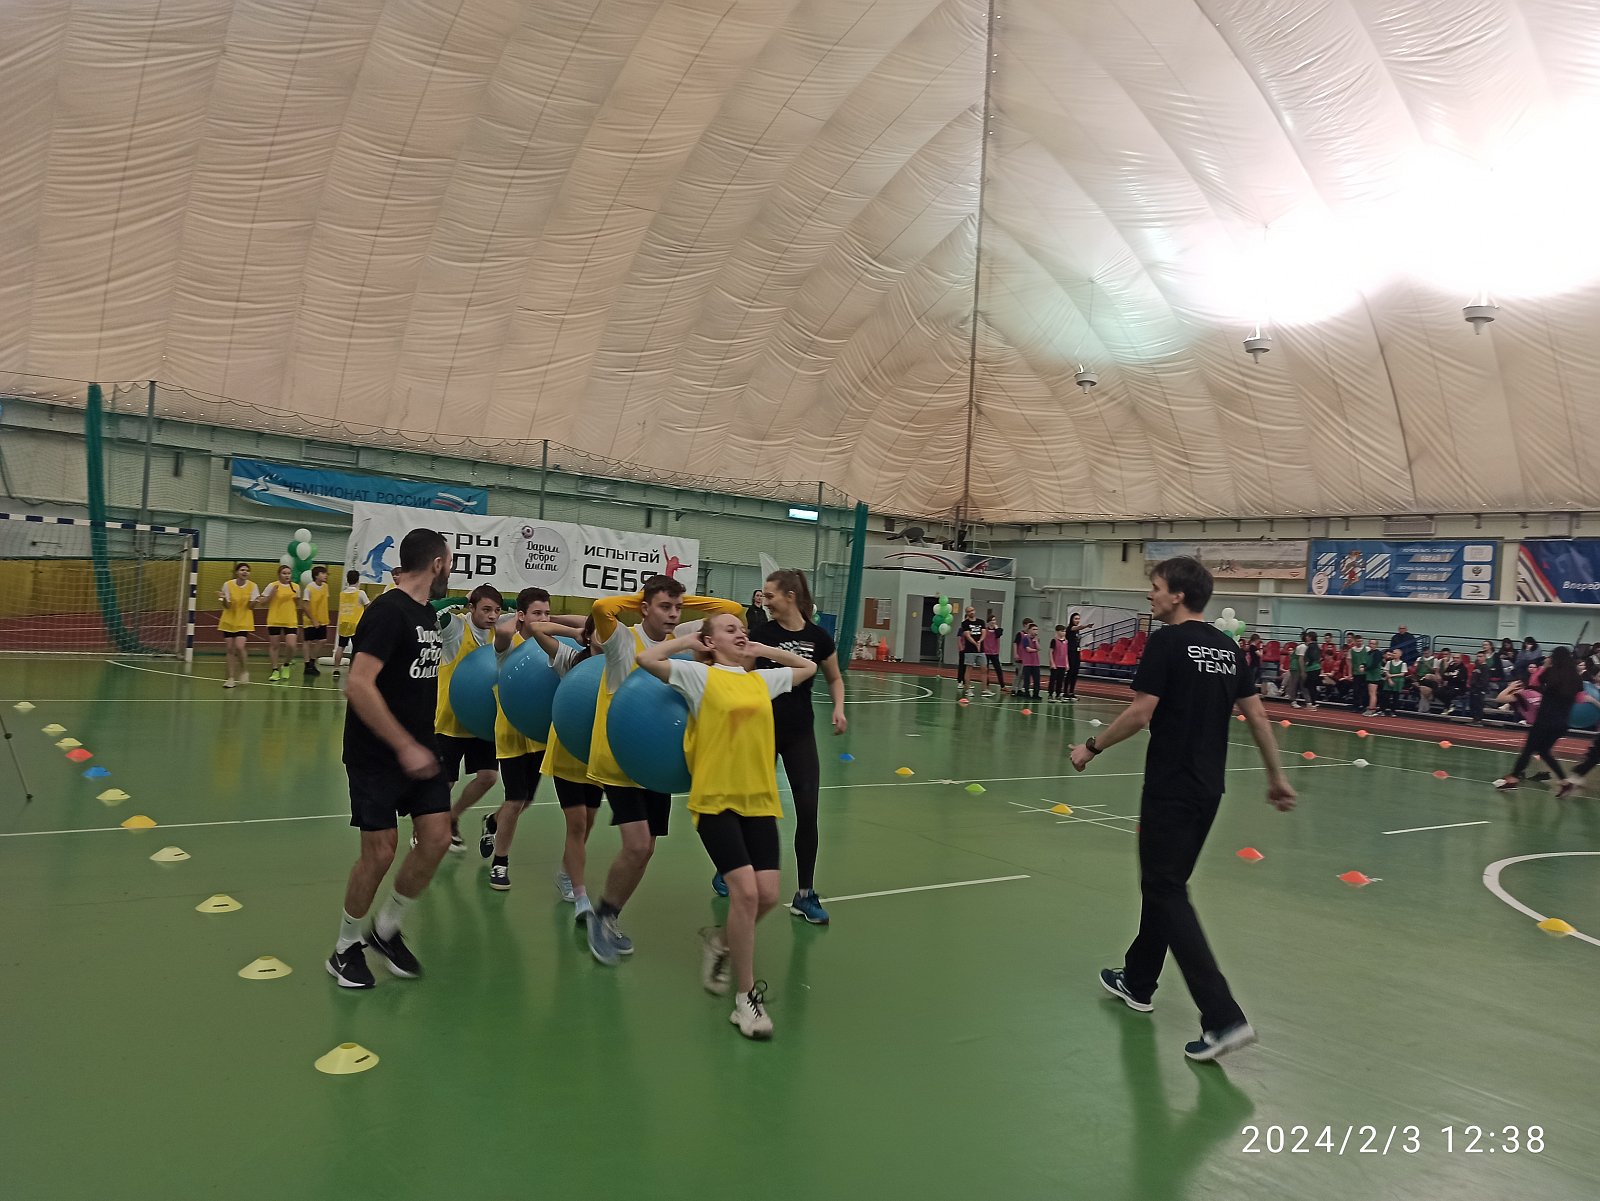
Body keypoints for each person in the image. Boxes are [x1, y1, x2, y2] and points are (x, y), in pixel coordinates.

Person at [1069, 556, 1295, 1062]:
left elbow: (1140, 713)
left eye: (1155, 587)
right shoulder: (1229, 648)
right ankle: (1139, 980)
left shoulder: (1167, 642)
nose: (1149, 595)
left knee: (1166, 889)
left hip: (1170, 787)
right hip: (1208, 790)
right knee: (1164, 884)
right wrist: (1276, 777)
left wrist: (1091, 747)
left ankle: (1223, 1017)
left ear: (1177, 595)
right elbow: (1258, 717)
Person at [638, 613, 818, 1039]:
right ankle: (745, 1000)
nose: (741, 634)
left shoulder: (761, 682)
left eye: (743, 629)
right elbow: (647, 659)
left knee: (768, 896)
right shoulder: (700, 677)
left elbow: (807, 668)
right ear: (711, 640)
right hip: (716, 800)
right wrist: (689, 643)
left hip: (759, 800)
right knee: (746, 893)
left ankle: (720, 941)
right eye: (730, 629)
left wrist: (763, 650)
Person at [585, 576, 744, 965]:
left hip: (657, 763)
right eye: (664, 607)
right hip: (621, 761)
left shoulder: (683, 636)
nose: (673, 615)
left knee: (646, 849)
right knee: (637, 844)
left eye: (678, 608)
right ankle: (600, 917)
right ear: (644, 608)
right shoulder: (622, 641)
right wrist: (645, 598)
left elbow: (733, 610)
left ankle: (609, 915)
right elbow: (602, 608)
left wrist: (683, 602)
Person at [326, 528, 452, 988]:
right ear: (436, 564)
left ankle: (386, 928)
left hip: (422, 748)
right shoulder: (386, 611)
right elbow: (358, 685)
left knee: (437, 838)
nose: (450, 570)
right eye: (449, 562)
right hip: (377, 756)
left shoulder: (427, 615)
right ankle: (345, 948)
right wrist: (403, 745)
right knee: (379, 854)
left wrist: (420, 744)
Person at [741, 568, 846, 925]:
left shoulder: (818, 637)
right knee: (751, 808)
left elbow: (834, 677)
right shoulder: (761, 634)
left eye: (770, 596)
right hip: (761, 733)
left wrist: (839, 708)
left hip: (799, 734)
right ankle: (734, 869)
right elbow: (739, 676)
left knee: (807, 811)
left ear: (790, 596)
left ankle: (805, 894)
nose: (765, 601)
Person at [477, 588, 568, 890]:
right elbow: (502, 632)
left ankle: (492, 821)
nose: (543, 618)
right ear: (521, 616)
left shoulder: (552, 646)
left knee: (525, 800)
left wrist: (549, 624)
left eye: (547, 613)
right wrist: (517, 620)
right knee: (515, 799)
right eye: (536, 613)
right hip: (511, 734)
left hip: (539, 735)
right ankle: (500, 862)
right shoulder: (509, 646)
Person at [534, 615, 605, 921]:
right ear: (589, 634)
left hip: (595, 755)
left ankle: (566, 870)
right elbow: (538, 628)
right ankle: (581, 896)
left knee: (588, 822)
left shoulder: (619, 663)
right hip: (566, 752)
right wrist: (576, 630)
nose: (606, 635)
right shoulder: (569, 658)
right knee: (576, 823)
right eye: (599, 630)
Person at [432, 584, 503, 852]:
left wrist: (505, 604)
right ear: (471, 608)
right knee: (445, 783)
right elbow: (430, 610)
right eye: (486, 609)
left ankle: (452, 817)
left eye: (497, 610)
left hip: (482, 723)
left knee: (488, 777)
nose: (492, 615)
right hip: (450, 721)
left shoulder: (499, 631)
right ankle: (424, 829)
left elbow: (525, 607)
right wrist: (463, 598)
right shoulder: (455, 629)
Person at [1494, 646, 1580, 795]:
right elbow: (1577, 695)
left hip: (1545, 720)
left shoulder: (1551, 672)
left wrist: (1545, 666)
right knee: (1544, 751)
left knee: (1527, 751)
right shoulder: (1576, 678)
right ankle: (1565, 782)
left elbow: (1536, 680)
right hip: (1561, 723)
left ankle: (1513, 778)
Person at [217, 562, 259, 688]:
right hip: (229, 620)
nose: (245, 572)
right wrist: (223, 598)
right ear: (236, 572)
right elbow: (227, 606)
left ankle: (244, 671)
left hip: (244, 620)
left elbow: (251, 607)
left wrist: (256, 601)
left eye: (247, 570)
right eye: (242, 570)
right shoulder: (228, 585)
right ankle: (230, 678)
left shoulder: (253, 586)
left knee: (240, 646)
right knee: (230, 649)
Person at [259, 564, 301, 683]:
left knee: (292, 645)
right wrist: (271, 595)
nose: (287, 575)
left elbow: (297, 604)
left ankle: (286, 665)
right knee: (274, 645)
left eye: (289, 573)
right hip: (275, 619)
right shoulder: (272, 585)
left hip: (290, 620)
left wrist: (297, 601)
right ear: (279, 574)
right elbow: (262, 602)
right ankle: (275, 670)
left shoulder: (296, 587)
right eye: (284, 573)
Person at [331, 569, 370, 678]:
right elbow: (368, 606)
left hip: (343, 622)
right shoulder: (360, 593)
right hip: (356, 624)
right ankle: (352, 670)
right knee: (357, 649)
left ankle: (336, 669)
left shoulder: (342, 593)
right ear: (358, 580)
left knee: (340, 646)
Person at [299, 565, 331, 679]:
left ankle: (312, 662)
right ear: (316, 576)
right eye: (323, 573)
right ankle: (307, 664)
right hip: (310, 620)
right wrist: (313, 619)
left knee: (322, 640)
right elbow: (305, 606)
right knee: (307, 642)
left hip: (322, 619)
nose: (325, 575)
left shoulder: (325, 587)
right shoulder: (309, 588)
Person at [956, 607, 986, 697]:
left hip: (981, 650)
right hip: (970, 650)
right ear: (967, 613)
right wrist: (975, 643)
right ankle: (968, 689)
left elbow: (984, 632)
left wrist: (980, 641)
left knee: (984, 668)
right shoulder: (965, 623)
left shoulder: (981, 622)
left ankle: (984, 689)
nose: (971, 612)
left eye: (972, 610)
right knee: (969, 669)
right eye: (969, 611)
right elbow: (967, 635)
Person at [1065, 612, 1091, 700]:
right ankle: (1065, 692)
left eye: (1078, 619)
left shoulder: (1077, 631)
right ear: (1072, 619)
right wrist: (1086, 626)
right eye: (1076, 619)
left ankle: (1071, 692)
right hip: (1070, 652)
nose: (1077, 620)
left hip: (1077, 652)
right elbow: (1078, 627)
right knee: (1070, 672)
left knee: (1075, 672)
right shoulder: (1070, 628)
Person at [1291, 631, 1320, 709]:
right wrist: (1303, 671)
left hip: (1303, 667)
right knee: (1295, 684)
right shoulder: (1303, 647)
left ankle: (1308, 701)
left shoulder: (1309, 646)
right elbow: (1301, 660)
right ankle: (1293, 701)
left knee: (1304, 684)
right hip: (1296, 667)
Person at [1017, 620, 1042, 700]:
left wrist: (1036, 641)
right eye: (1034, 629)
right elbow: (1028, 649)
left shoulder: (1036, 639)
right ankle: (1027, 693)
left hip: (1036, 662)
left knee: (1037, 679)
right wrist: (1036, 650)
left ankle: (1036, 694)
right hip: (1027, 662)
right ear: (1029, 630)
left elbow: (1039, 648)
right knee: (1027, 679)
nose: (1035, 631)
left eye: (1036, 629)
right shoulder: (1025, 638)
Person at [982, 614, 1006, 694]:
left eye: (995, 620)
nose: (994, 622)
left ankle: (1002, 686)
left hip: (994, 652)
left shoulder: (998, 630)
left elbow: (998, 635)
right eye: (992, 620)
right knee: (986, 669)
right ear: (989, 621)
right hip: (986, 652)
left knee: (998, 669)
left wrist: (996, 628)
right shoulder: (985, 630)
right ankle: (986, 685)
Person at [1380, 648, 1406, 715]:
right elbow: (1386, 671)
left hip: (1398, 682)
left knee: (1395, 697)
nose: (1393, 654)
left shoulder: (1403, 664)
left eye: (1395, 653)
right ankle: (1383, 710)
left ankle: (1393, 711)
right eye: (1393, 653)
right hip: (1389, 681)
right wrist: (1389, 679)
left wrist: (1392, 675)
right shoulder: (1389, 663)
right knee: (1386, 696)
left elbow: (1402, 674)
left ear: (1400, 654)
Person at [1361, 638, 1383, 716]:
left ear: (1376, 645)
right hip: (1369, 675)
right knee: (1371, 693)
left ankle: (1372, 709)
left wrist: (1365, 669)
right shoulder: (1368, 653)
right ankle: (1371, 707)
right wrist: (1362, 665)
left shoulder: (1378, 653)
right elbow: (1365, 661)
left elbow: (1374, 664)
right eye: (1370, 643)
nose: (1371, 645)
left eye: (1373, 644)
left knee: (1373, 693)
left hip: (1374, 675)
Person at [1048, 626, 1070, 700]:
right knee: (1053, 680)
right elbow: (1050, 652)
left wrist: (1067, 663)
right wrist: (1052, 663)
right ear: (1057, 631)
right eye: (1062, 631)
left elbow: (1066, 654)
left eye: (1064, 631)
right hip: (1055, 664)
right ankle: (1050, 694)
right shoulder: (1054, 641)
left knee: (1060, 681)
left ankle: (1058, 694)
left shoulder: (1066, 641)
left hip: (1062, 664)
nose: (1064, 633)